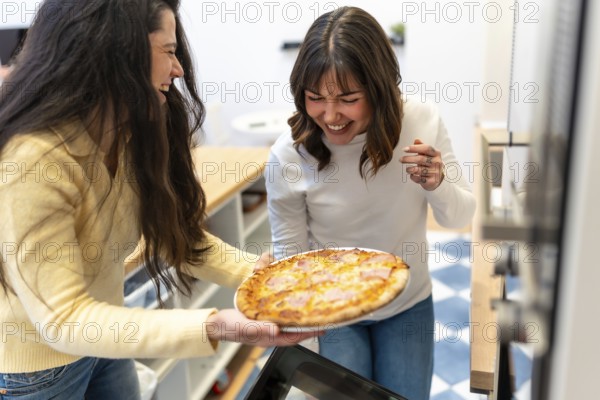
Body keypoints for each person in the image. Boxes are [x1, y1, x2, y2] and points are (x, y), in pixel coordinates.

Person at [0, 1, 318, 399]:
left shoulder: (128, 130)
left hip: (104, 335)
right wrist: (218, 325)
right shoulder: (35, 158)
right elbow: (62, 318)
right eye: (168, 51)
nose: (179, 69)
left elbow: (177, 239)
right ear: (116, 51)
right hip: (37, 366)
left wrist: (264, 278)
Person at [265, 6, 476, 399]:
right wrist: (304, 360)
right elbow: (291, 263)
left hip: (408, 302)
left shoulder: (421, 122)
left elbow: (460, 215)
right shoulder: (288, 157)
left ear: (378, 88)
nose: (331, 116)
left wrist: (438, 183)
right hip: (332, 313)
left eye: (348, 99)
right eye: (315, 98)